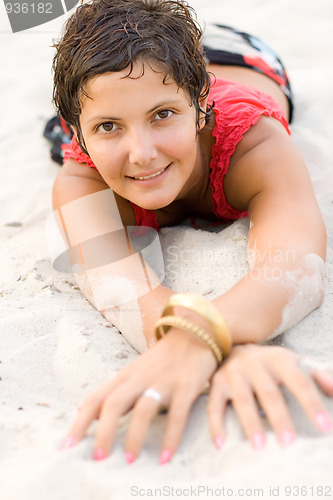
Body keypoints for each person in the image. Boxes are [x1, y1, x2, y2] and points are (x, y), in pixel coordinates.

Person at [50, 0, 333, 464]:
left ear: (202, 108)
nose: (142, 154)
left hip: (242, 56)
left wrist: (196, 337)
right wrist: (226, 351)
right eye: (107, 127)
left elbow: (295, 269)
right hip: (137, 66)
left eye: (163, 115)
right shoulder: (81, 179)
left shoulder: (254, 143)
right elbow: (123, 291)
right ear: (78, 137)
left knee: (144, 75)